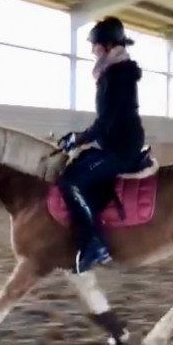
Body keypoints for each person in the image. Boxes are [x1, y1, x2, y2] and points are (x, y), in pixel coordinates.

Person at [57, 16, 146, 275]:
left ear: (107, 46)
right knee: (80, 167)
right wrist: (80, 137)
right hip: (116, 141)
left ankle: (94, 244)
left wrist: (78, 138)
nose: (92, 50)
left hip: (121, 146)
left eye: (95, 45)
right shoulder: (114, 71)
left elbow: (106, 121)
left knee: (70, 181)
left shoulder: (117, 74)